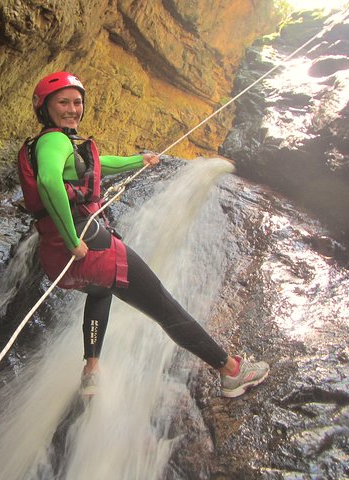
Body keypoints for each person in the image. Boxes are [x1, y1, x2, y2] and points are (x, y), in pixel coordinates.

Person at [17, 71, 269, 398]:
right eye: (62, 102)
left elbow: (96, 165)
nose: (72, 109)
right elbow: (51, 182)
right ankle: (231, 371)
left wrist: (138, 160)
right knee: (164, 307)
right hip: (88, 245)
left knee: (100, 291)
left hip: (56, 258)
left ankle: (91, 370)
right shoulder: (54, 140)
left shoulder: (52, 144)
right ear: (44, 108)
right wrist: (72, 239)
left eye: (77, 102)